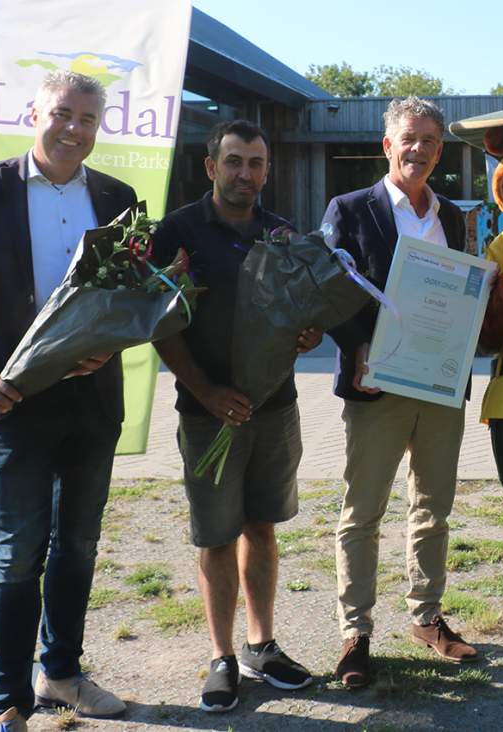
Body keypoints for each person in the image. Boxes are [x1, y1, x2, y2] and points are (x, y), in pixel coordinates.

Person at [0, 71, 136, 732]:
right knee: (19, 552)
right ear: (33, 113)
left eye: (87, 119)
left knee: (77, 544)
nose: (73, 129)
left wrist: (114, 344)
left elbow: (133, 293)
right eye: (62, 114)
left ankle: (63, 674)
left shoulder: (117, 196)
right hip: (12, 401)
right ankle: (8, 699)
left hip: (93, 400)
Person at [150, 120, 321, 713]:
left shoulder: (282, 233)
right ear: (210, 166)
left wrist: (309, 330)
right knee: (218, 535)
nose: (245, 172)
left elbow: (301, 310)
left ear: (267, 171)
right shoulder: (177, 233)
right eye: (234, 161)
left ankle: (262, 645)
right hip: (207, 413)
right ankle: (222, 656)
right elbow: (158, 324)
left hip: (275, 408)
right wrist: (204, 392)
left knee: (262, 527)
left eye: (255, 163)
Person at [320, 96, 477, 688]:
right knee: (362, 514)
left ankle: (426, 617)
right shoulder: (350, 208)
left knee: (433, 508)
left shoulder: (454, 216)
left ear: (441, 151)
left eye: (431, 141)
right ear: (388, 145)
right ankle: (355, 633)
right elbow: (327, 289)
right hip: (375, 382)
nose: (420, 150)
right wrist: (355, 346)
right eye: (409, 139)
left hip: (437, 384)